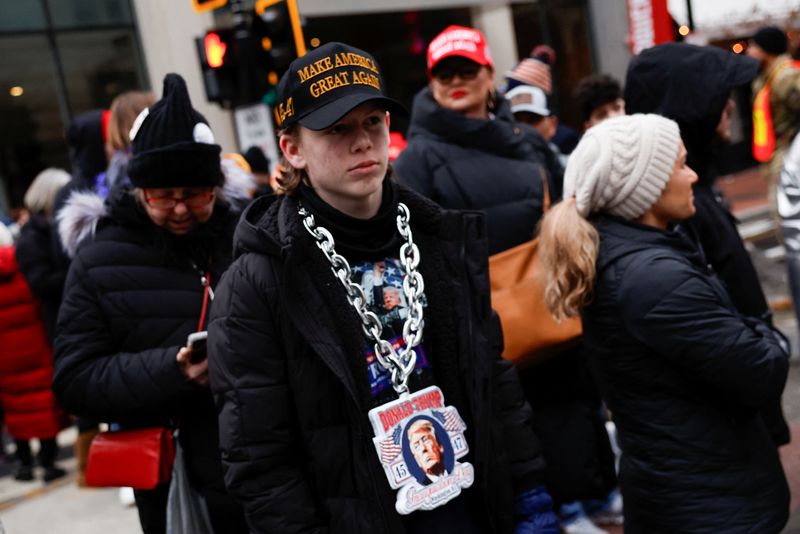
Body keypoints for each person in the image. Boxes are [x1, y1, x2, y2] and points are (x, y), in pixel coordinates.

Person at [207, 41, 558, 534]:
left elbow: (492, 379)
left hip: (469, 507)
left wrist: (529, 491)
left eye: (373, 122)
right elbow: (259, 458)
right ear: (292, 149)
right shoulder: (258, 279)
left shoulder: (438, 237)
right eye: (336, 129)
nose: (362, 142)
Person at [537, 113, 790, 533]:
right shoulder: (654, 277)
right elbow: (761, 370)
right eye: (679, 165)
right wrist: (770, 336)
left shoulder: (630, 255)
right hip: (710, 504)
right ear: (645, 187)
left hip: (687, 493)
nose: (691, 175)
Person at [53, 73, 248, 534]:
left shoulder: (247, 237)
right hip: (177, 484)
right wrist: (173, 371)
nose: (180, 209)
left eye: (195, 195)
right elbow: (74, 380)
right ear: (139, 189)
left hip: (271, 474)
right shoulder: (99, 258)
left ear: (216, 187)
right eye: (163, 196)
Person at [624, 43, 791, 445]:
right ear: (691, 106)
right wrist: (770, 347)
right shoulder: (675, 205)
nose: (731, 106)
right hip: (724, 427)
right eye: (719, 96)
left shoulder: (695, 184)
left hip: (738, 415)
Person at [394, 25, 563, 253]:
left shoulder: (528, 139)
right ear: (432, 84)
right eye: (444, 75)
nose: (456, 81)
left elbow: (565, 211)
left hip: (549, 281)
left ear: (490, 75)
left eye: (467, 71)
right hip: (468, 287)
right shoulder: (416, 158)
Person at [0, 223, 68, 483]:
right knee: (41, 403)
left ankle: (24, 463)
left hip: (4, 358)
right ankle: (49, 463)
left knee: (14, 409)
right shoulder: (22, 269)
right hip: (34, 347)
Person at [15, 168, 71, 343]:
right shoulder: (32, 237)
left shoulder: (60, 227)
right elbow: (42, 283)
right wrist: (79, 271)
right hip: (60, 322)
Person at [747, 26, 800, 180]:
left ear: (766, 49)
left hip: (789, 155)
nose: (749, 51)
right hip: (779, 153)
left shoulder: (784, 76)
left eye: (753, 46)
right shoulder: (766, 77)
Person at [406, 418, 449, 484]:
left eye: (426, 440)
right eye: (417, 446)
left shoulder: (456, 472)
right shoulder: (419, 490)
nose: (423, 448)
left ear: (440, 446)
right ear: (417, 460)